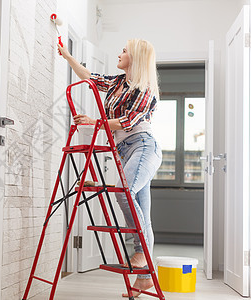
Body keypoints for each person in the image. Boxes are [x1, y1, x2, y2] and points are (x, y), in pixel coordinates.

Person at [58, 39, 162, 297]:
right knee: (143, 214)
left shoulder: (145, 88)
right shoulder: (117, 82)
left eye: (124, 51)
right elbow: (88, 76)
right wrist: (67, 55)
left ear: (135, 57)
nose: (119, 53)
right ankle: (146, 278)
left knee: (122, 192)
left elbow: (128, 120)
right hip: (125, 151)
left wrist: (95, 122)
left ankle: (140, 254)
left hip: (143, 147)